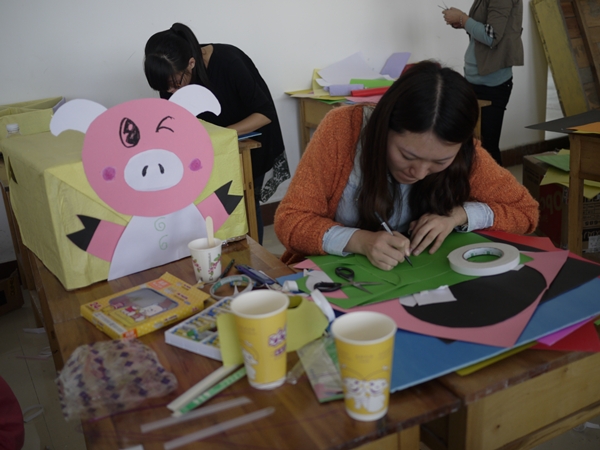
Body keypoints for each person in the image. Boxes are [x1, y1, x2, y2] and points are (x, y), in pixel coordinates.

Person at [274, 61, 538, 268]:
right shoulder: (343, 130)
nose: (419, 173)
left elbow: (525, 212)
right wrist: (360, 241)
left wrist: (458, 216)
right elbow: (291, 221)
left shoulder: (466, 153)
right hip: (335, 280)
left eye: (440, 161)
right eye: (407, 156)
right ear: (384, 126)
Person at [144, 23, 289, 244]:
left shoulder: (229, 62)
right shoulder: (172, 76)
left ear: (191, 63)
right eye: (165, 88)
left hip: (247, 143)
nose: (170, 93)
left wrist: (219, 135)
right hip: (210, 148)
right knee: (210, 205)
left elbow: (265, 113)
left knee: (245, 204)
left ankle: (255, 260)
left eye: (175, 85)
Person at [442, 1, 524, 165]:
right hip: (477, 81)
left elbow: (491, 36)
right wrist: (463, 23)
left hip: (490, 85)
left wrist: (462, 18)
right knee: (473, 146)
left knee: (487, 150)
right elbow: (485, 29)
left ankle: (495, 183)